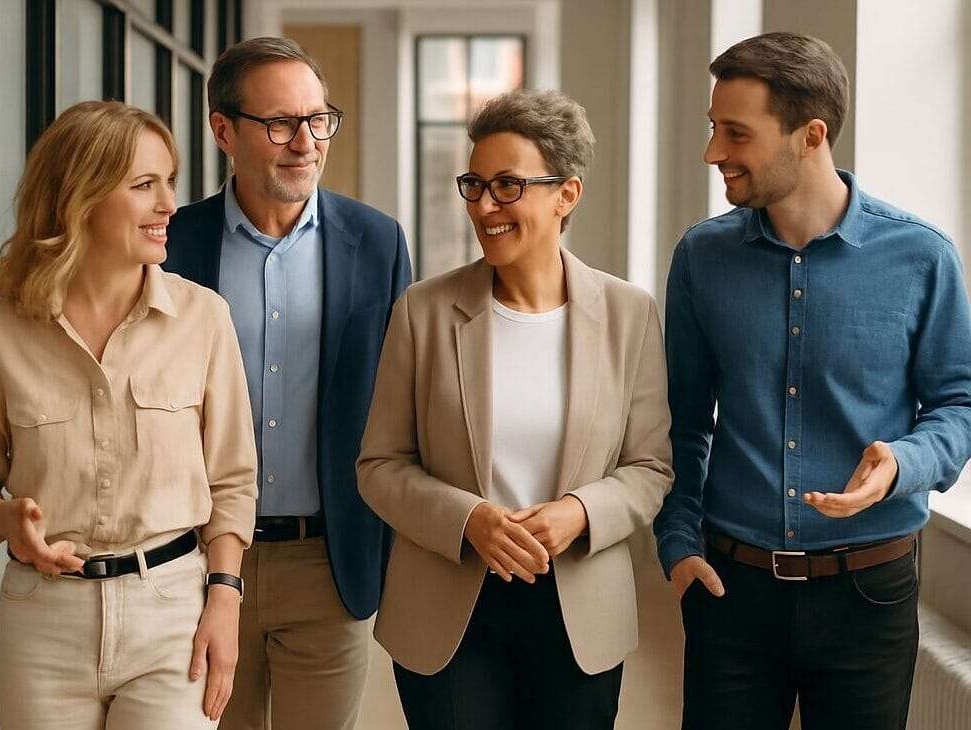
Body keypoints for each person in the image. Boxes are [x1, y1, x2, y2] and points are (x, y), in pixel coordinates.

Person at [654, 32, 971, 730]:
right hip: (729, 591)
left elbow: (959, 403)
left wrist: (901, 464)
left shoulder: (921, 257)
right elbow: (679, 418)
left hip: (870, 594)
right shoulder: (702, 257)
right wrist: (677, 542)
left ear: (811, 134)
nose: (713, 152)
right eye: (713, 128)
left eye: (735, 133)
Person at [357, 88, 673, 730]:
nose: (484, 207)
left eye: (507, 186)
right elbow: (379, 465)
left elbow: (651, 467)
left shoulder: (628, 314)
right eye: (474, 184)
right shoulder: (423, 312)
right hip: (447, 608)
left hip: (580, 610)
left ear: (567, 195)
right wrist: (467, 518)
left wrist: (579, 513)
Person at [0, 100, 257, 729]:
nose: (170, 204)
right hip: (42, 623)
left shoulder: (203, 319)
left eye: (168, 181)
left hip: (172, 613)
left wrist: (224, 598)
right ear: (78, 199)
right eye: (145, 185)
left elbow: (232, 481)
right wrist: (6, 518)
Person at [163, 36, 412, 730]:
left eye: (317, 119)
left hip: (327, 563)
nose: (304, 142)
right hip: (195, 564)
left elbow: (402, 403)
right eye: (279, 123)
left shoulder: (378, 241)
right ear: (223, 130)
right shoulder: (172, 246)